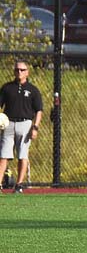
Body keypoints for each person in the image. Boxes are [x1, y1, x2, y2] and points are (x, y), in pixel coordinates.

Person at [0, 60, 43, 194]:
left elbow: (39, 110)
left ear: (27, 72)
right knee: (3, 156)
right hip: (8, 124)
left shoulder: (33, 90)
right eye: (17, 69)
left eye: (22, 70)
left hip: (25, 125)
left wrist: (35, 127)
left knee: (22, 155)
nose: (19, 72)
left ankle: (19, 185)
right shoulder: (7, 88)